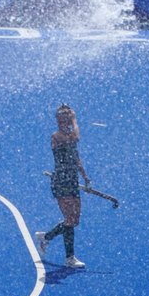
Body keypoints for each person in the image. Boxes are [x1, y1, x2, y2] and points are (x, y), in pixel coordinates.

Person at [35, 104, 90, 268]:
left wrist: (85, 177)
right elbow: (76, 137)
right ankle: (69, 257)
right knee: (69, 219)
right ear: (60, 120)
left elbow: (76, 158)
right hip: (61, 181)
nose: (66, 121)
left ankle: (46, 238)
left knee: (74, 220)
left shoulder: (70, 138)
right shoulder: (57, 136)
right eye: (65, 118)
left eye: (68, 118)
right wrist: (74, 119)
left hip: (72, 180)